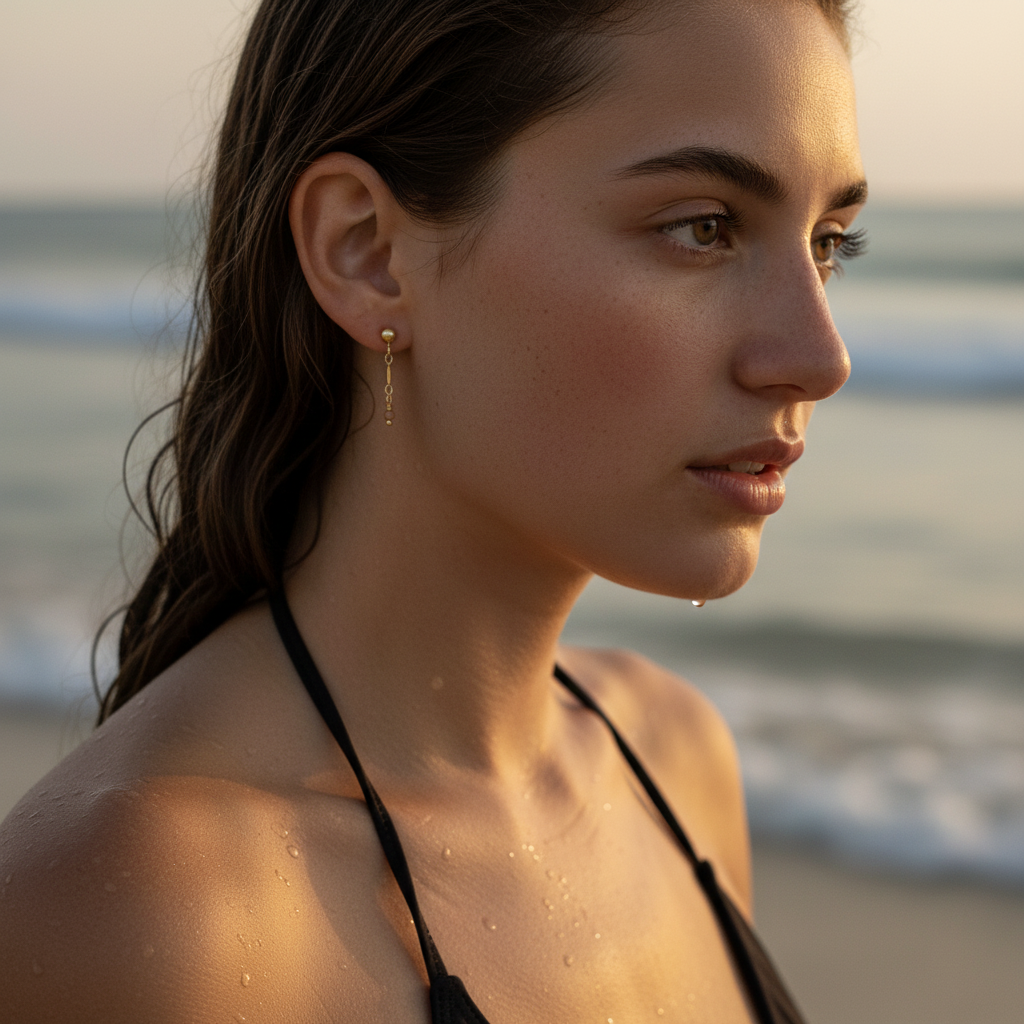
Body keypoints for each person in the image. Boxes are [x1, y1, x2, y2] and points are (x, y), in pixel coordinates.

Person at [0, 0, 866, 1020]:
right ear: (366, 250)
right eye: (703, 228)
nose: (819, 356)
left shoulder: (674, 762)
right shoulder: (150, 911)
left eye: (828, 244)